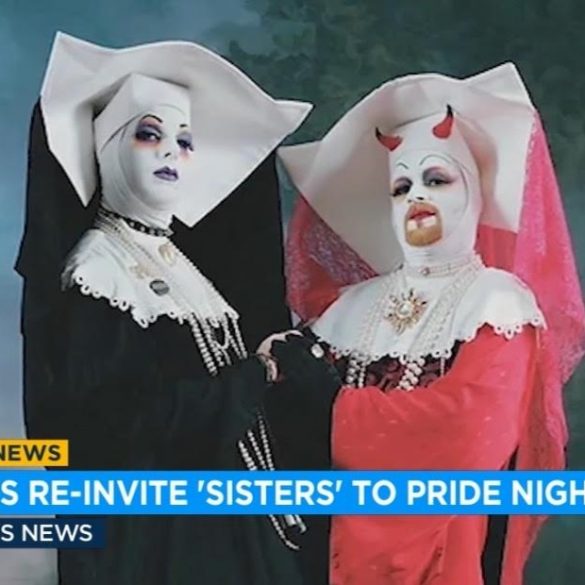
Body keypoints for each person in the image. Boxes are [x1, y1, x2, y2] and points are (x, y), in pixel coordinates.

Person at [15, 31, 317, 585]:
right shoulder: (96, 270)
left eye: (184, 140)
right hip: (159, 542)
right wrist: (254, 376)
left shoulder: (180, 264)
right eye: (148, 134)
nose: (170, 151)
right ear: (108, 147)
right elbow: (120, 422)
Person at [271, 63, 585, 584]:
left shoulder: (497, 301)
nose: (417, 197)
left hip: (441, 552)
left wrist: (331, 406)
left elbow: (469, 434)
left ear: (473, 192)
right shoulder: (348, 308)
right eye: (401, 187)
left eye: (437, 179)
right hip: (322, 550)